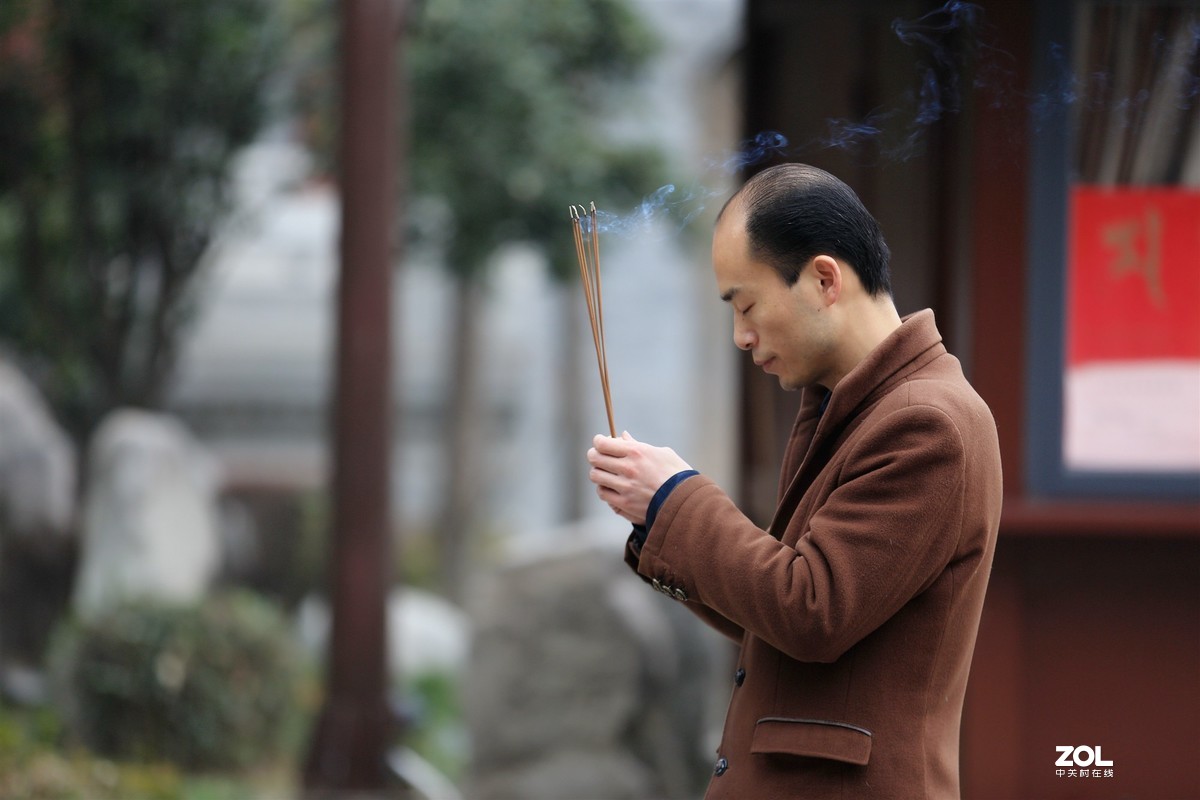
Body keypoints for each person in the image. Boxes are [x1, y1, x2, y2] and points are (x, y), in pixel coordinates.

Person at [587, 163, 1002, 799]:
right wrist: (656, 516)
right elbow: (776, 615)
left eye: (745, 304)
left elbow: (811, 609)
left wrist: (677, 500)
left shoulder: (929, 422)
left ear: (823, 279)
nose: (740, 336)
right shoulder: (858, 408)